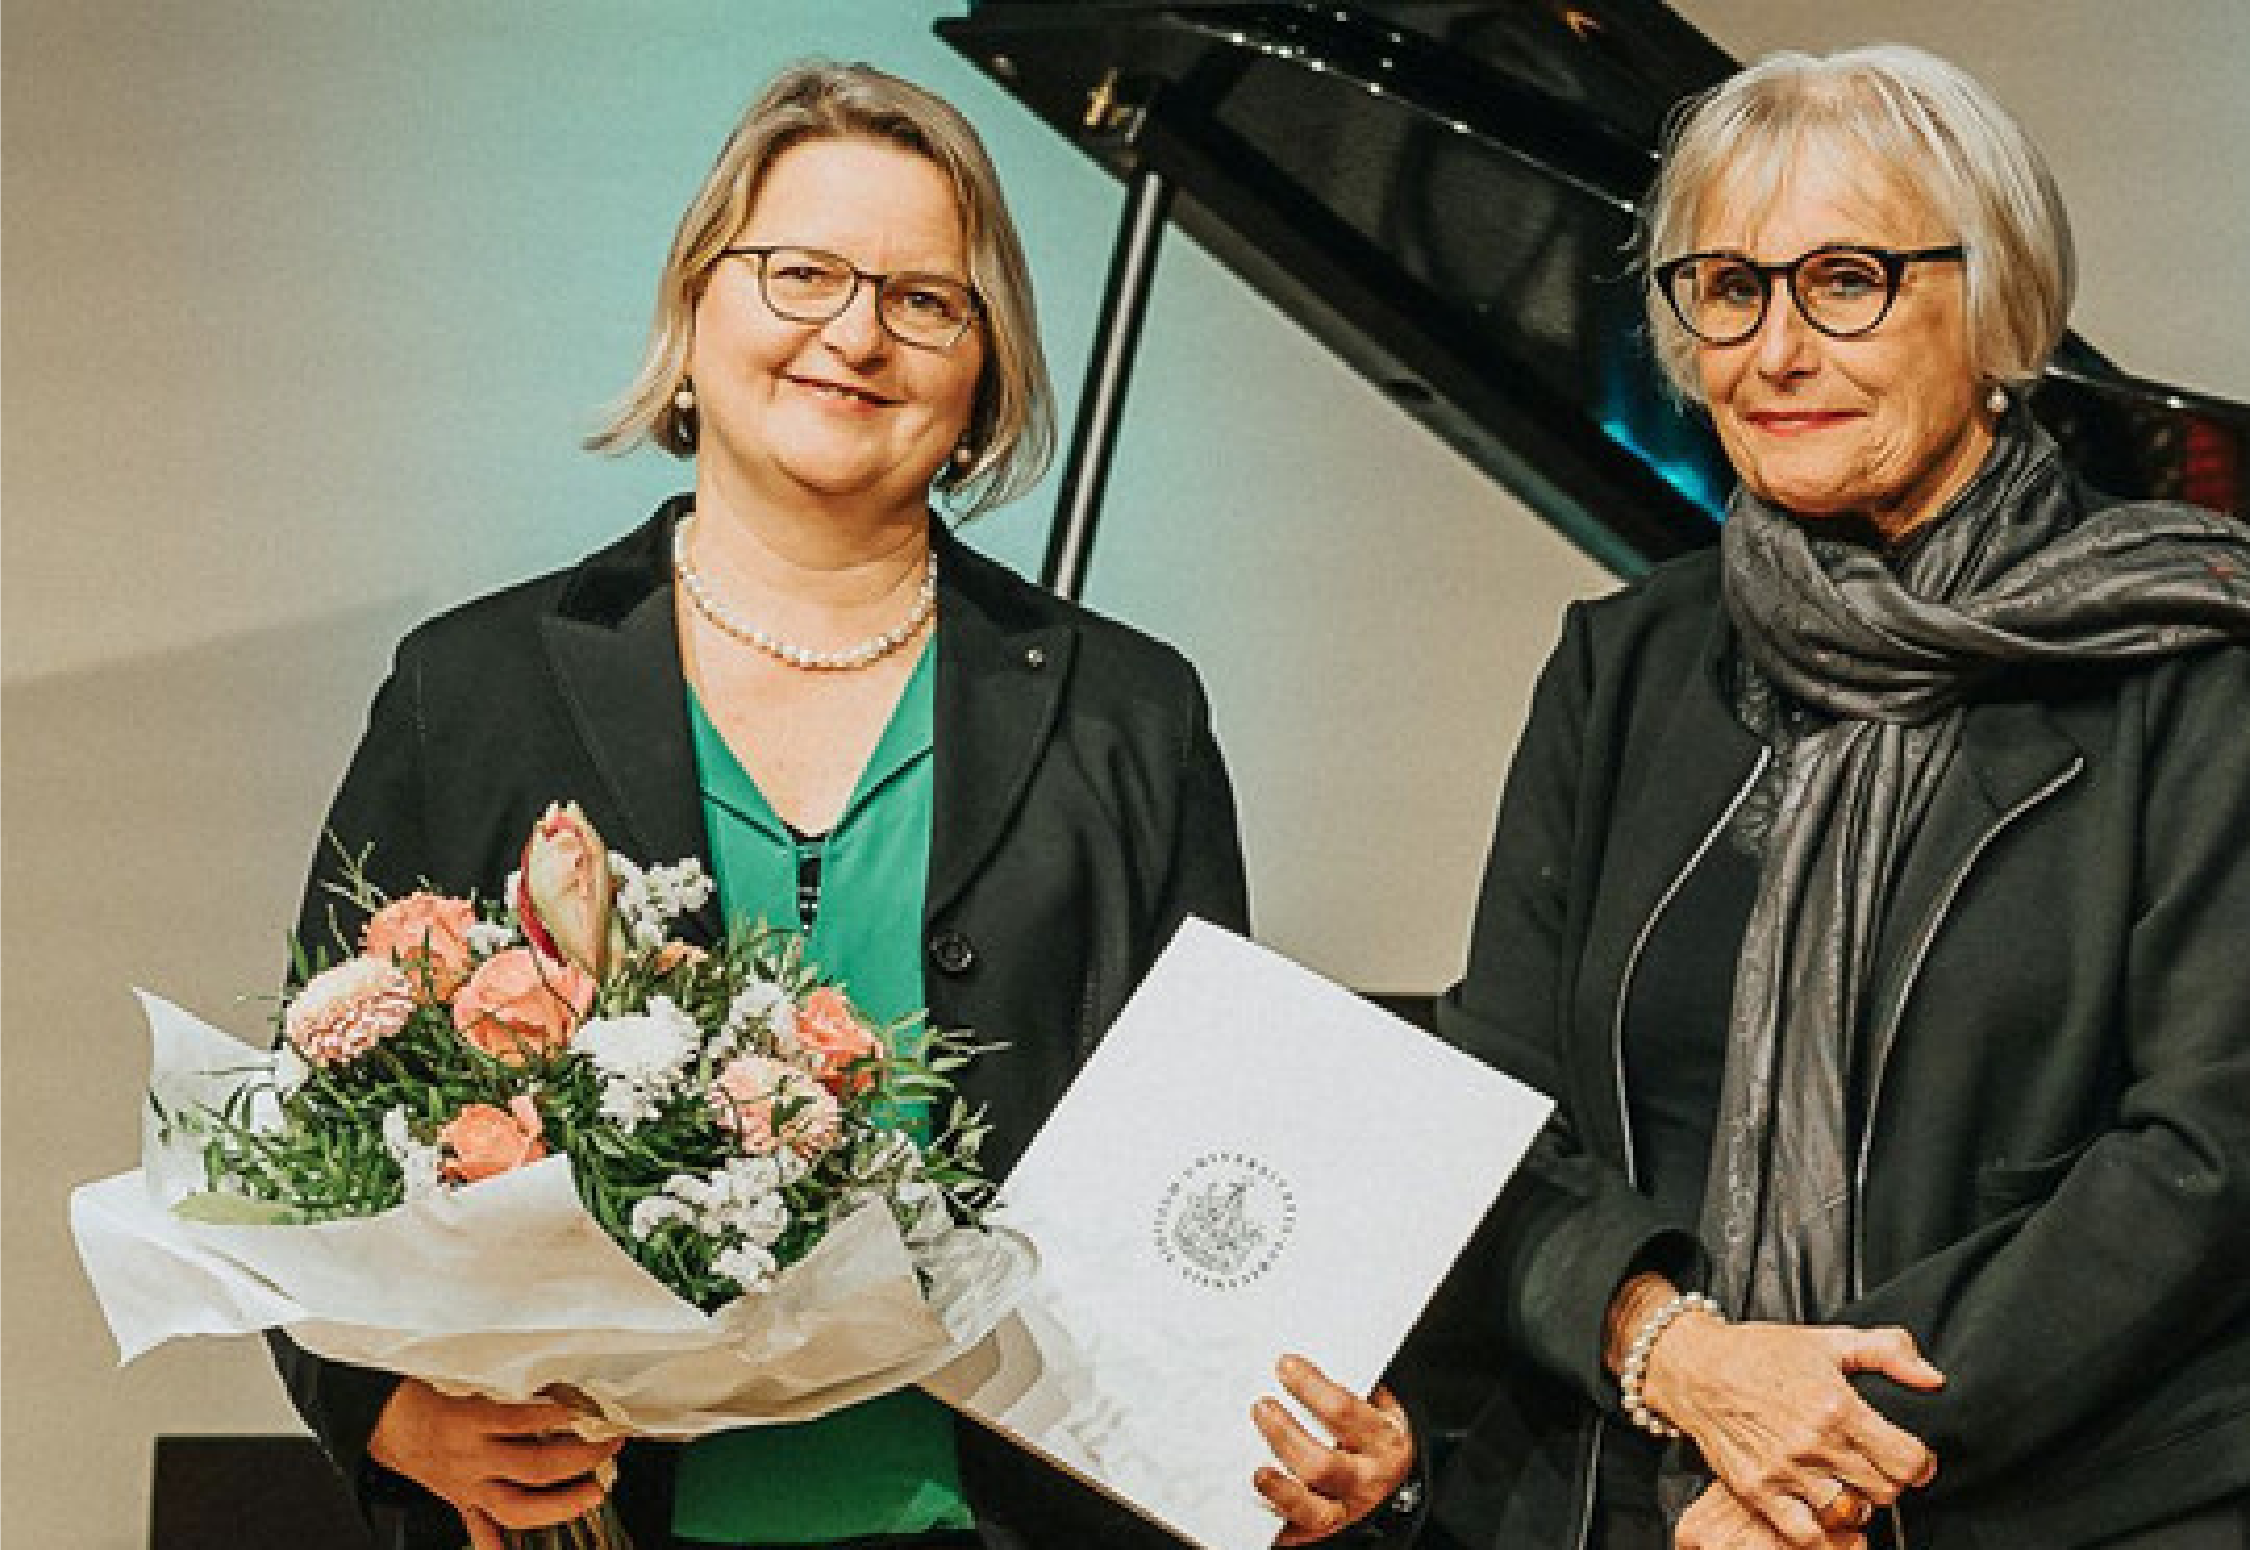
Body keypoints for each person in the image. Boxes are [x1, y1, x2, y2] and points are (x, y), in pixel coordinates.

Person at [272, 60, 1415, 1550]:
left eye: (924, 300)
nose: (855, 335)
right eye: (799, 272)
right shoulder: (472, 686)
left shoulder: (1130, 714)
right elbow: (304, 1129)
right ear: (696, 308)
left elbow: (1219, 1157)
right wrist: (387, 1413)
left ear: (986, 372)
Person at [1423, 43, 2250, 1550]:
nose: (1777, 346)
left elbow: (2203, 1158)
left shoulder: (2192, 664)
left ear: (1997, 308)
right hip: (1658, 1485)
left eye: (1846, 278)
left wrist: (1827, 1452)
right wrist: (1681, 1357)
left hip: (2096, 1503)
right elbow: (1491, 1106)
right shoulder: (1620, 667)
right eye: (1728, 286)